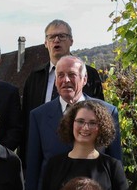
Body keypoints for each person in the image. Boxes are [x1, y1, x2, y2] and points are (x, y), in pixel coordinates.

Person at [25, 56, 122, 190]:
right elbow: (33, 166)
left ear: (84, 79)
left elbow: (115, 162)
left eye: (72, 75)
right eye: (60, 75)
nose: (66, 80)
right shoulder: (39, 115)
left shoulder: (107, 113)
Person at [39, 100, 130, 190]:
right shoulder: (54, 165)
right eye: (80, 121)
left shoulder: (112, 167)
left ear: (101, 127)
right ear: (71, 124)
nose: (85, 127)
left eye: (92, 123)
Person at [20, 20, 106, 162]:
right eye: (51, 37)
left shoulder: (89, 75)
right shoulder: (35, 77)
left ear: (71, 41)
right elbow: (27, 122)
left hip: (83, 157)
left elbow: (101, 117)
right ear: (45, 43)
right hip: (44, 159)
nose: (56, 40)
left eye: (62, 36)